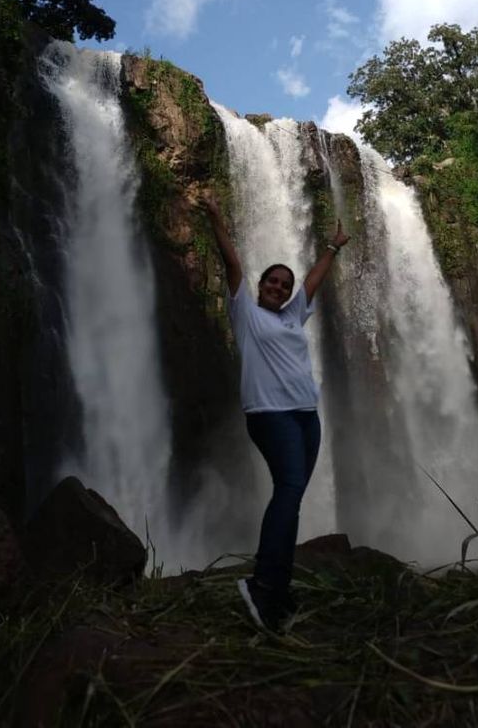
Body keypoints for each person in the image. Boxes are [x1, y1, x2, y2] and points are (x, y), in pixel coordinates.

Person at [201, 192, 350, 634]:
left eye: (284, 285)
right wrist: (215, 217)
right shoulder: (245, 313)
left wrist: (334, 247)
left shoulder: (292, 317)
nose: (279, 287)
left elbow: (313, 282)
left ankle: (278, 586)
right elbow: (232, 265)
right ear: (261, 286)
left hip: (306, 417)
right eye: (273, 282)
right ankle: (263, 584)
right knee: (287, 489)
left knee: (292, 497)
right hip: (270, 415)